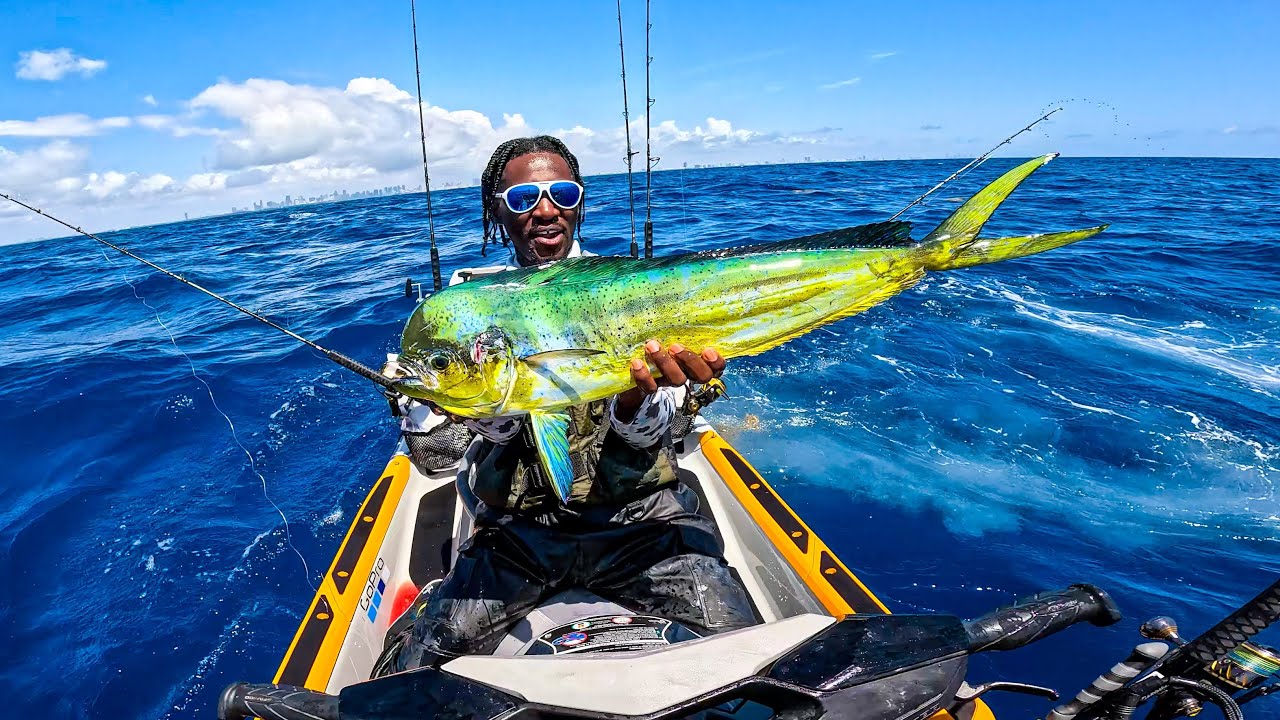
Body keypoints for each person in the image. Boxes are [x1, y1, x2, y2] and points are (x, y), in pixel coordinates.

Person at [384, 136, 755, 672]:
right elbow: (438, 458)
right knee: (417, 671)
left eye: (561, 192)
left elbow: (661, 433)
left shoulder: (628, 291)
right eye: (522, 199)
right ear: (498, 212)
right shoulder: (463, 315)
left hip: (639, 523)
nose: (546, 210)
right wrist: (478, 414)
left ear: (578, 200)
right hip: (517, 535)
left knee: (751, 654)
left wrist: (632, 402)